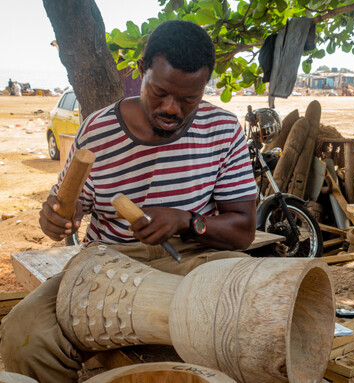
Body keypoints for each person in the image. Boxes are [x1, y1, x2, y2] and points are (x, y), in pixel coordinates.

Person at [0, 20, 257, 383]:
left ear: (204, 87)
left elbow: (244, 231)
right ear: (141, 72)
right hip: (108, 266)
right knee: (25, 335)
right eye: (160, 92)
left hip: (191, 258)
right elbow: (61, 212)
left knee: (261, 313)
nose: (172, 108)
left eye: (189, 100)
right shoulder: (98, 131)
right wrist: (56, 216)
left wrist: (187, 220)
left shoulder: (222, 130)